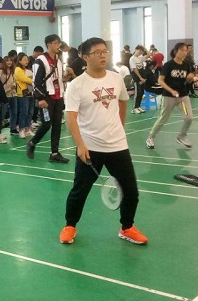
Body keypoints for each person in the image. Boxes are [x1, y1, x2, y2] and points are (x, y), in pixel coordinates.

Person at [59, 37, 147, 245]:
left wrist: (120, 126)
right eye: (97, 52)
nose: (103, 55)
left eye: (105, 51)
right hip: (90, 147)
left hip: (118, 145)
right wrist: (80, 145)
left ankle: (127, 227)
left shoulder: (116, 78)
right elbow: (70, 116)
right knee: (80, 191)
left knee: (131, 191)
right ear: (85, 57)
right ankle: (70, 226)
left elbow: (123, 101)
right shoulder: (77, 85)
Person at [26, 35, 69, 163]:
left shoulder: (58, 60)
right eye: (56, 43)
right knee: (46, 124)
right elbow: (36, 82)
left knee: (57, 125)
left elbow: (57, 78)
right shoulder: (40, 61)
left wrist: (64, 79)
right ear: (48, 45)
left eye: (59, 43)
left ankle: (54, 153)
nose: (58, 46)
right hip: (46, 97)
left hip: (58, 97)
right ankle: (32, 143)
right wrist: (40, 98)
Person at [146, 43, 195, 150]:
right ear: (176, 51)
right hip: (169, 97)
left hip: (182, 97)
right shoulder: (168, 65)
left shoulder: (186, 65)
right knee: (163, 118)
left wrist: (190, 78)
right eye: (181, 50)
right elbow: (160, 80)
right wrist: (171, 90)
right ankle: (151, 137)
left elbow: (187, 80)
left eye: (185, 51)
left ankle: (181, 136)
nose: (184, 53)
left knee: (189, 117)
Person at [15, 53, 34, 138]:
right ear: (19, 61)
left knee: (30, 112)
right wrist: (33, 80)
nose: (27, 61)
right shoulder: (18, 70)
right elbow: (25, 79)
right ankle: (21, 130)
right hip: (22, 94)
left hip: (30, 92)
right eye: (24, 59)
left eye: (27, 59)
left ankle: (27, 129)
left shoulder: (27, 70)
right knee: (24, 112)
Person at [0, 55, 17, 135]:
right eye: (7, 61)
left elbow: (15, 81)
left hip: (13, 94)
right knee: (2, 113)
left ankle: (13, 128)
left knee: (14, 112)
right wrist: (9, 88)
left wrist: (14, 85)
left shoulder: (13, 71)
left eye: (10, 61)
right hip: (4, 95)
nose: (9, 62)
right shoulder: (1, 72)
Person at [129, 45, 149, 114]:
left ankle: (138, 106)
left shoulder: (140, 58)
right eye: (139, 50)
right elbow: (135, 69)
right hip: (137, 78)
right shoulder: (132, 59)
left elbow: (149, 54)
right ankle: (134, 108)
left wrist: (144, 47)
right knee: (137, 93)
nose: (140, 52)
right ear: (135, 50)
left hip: (142, 78)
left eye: (141, 51)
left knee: (141, 92)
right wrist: (140, 77)